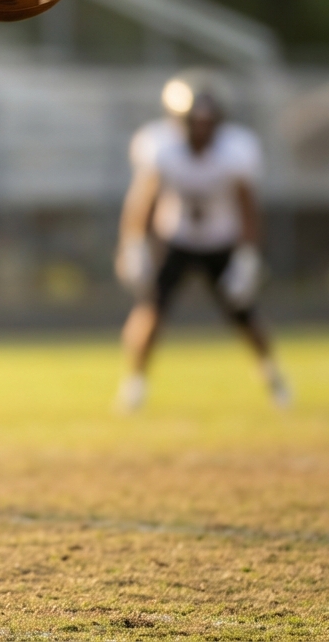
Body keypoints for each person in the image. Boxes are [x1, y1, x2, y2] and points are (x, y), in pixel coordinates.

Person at [113, 69, 290, 412]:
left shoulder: (235, 150)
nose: (203, 129)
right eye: (196, 121)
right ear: (179, 121)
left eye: (210, 121)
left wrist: (247, 256)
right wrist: (134, 246)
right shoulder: (161, 146)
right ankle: (134, 383)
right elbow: (143, 200)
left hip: (220, 240)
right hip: (175, 237)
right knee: (150, 311)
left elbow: (248, 208)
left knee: (246, 316)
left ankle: (273, 377)